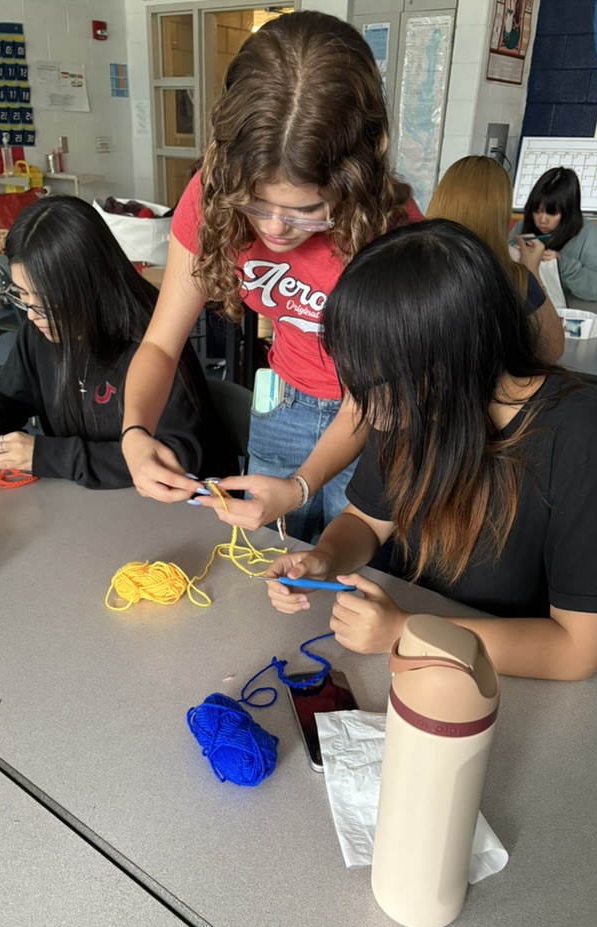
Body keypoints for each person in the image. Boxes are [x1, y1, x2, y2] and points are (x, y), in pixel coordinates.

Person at [265, 220, 597, 682]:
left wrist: (407, 630)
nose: (372, 417)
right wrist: (324, 558)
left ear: (452, 363)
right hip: (422, 662)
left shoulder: (585, 442)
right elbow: (367, 520)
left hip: (510, 679)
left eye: (378, 389)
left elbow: (576, 649)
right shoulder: (416, 401)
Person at [120, 10, 419, 541]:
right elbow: (162, 345)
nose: (276, 229)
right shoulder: (213, 193)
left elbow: (369, 401)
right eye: (254, 204)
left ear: (353, 180)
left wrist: (302, 485)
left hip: (377, 420)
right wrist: (135, 431)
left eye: (307, 210)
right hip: (282, 401)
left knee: (351, 575)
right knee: (266, 562)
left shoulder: (394, 234)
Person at [0, 195, 229, 489]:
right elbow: (7, 391)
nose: (34, 314)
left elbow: (174, 457)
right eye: (22, 294)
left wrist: (49, 455)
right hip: (89, 503)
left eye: (50, 299)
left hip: (173, 508)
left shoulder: (153, 339)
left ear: (91, 285)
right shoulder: (41, 328)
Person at [425, 155, 564, 360]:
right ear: (500, 213)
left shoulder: (405, 263)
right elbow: (552, 350)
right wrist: (531, 272)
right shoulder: (512, 278)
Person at [509, 166, 597, 302]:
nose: (542, 220)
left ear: (569, 213)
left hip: (572, 308)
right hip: (527, 305)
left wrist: (563, 265)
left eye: (552, 213)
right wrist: (513, 255)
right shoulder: (523, 227)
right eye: (537, 210)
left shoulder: (591, 233)